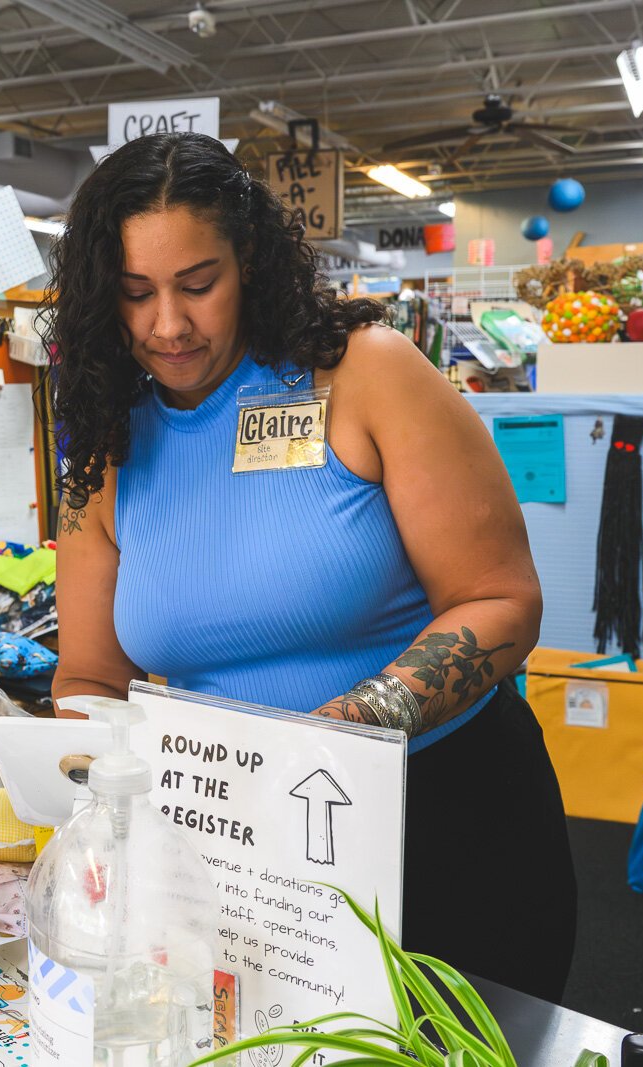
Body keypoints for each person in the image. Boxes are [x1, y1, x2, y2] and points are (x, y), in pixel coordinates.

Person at [46, 133, 576, 1001]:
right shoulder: (107, 439)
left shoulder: (367, 374)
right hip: (235, 853)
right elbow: (94, 673)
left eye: (198, 285)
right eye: (136, 294)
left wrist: (346, 723)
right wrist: (88, 785)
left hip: (440, 820)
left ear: (248, 259)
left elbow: (502, 600)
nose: (168, 325)